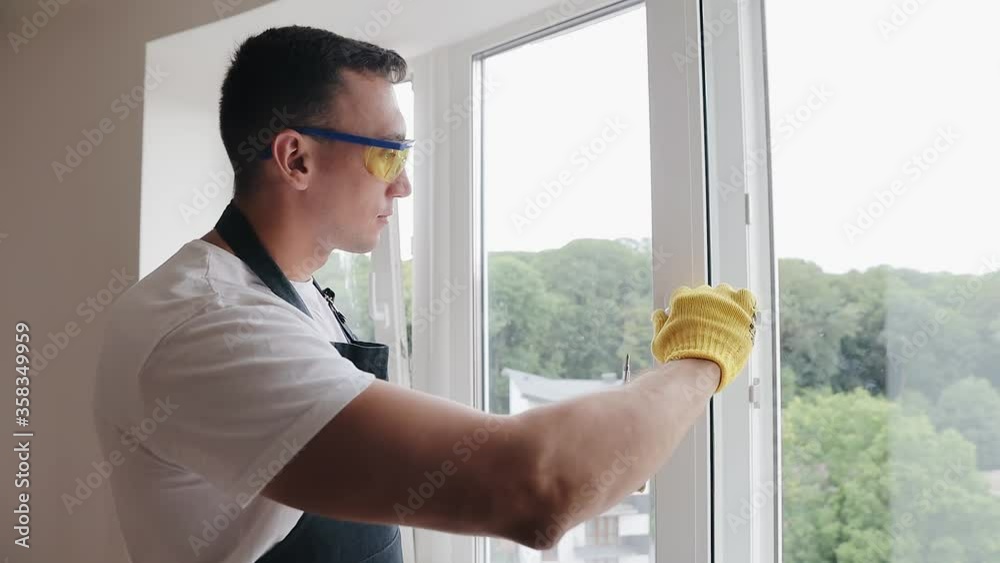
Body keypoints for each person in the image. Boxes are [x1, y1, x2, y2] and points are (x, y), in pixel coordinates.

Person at [91, 25, 758, 563]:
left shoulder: (298, 296)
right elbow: (538, 487)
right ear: (295, 159)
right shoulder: (209, 323)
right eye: (386, 155)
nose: (403, 185)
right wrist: (699, 360)